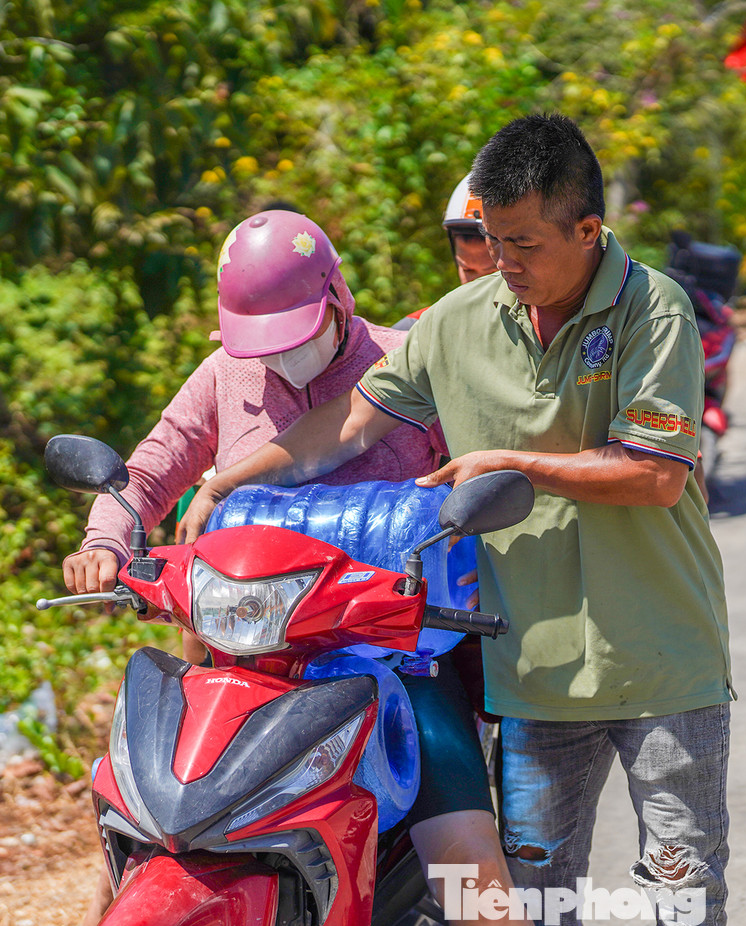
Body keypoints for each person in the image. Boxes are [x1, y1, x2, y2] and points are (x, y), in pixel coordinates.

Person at [177, 113, 732, 926]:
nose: (501, 264)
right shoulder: (454, 323)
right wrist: (226, 483)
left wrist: (511, 465)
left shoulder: (656, 311)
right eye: (490, 240)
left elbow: (652, 475)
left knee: (676, 902)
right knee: (537, 906)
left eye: (524, 244)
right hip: (534, 676)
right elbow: (342, 427)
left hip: (663, 664)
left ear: (589, 229)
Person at [62, 210, 521, 926]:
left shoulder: (407, 363)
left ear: (337, 299)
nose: (279, 357)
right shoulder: (225, 376)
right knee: (144, 826)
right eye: (262, 342)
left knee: (468, 871)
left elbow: (483, 472)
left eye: (296, 335)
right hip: (249, 667)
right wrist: (104, 544)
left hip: (393, 663)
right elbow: (149, 471)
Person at [393, 173, 498, 330]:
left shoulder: (541, 336)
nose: (477, 286)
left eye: (492, 273)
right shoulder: (416, 330)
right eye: (468, 270)